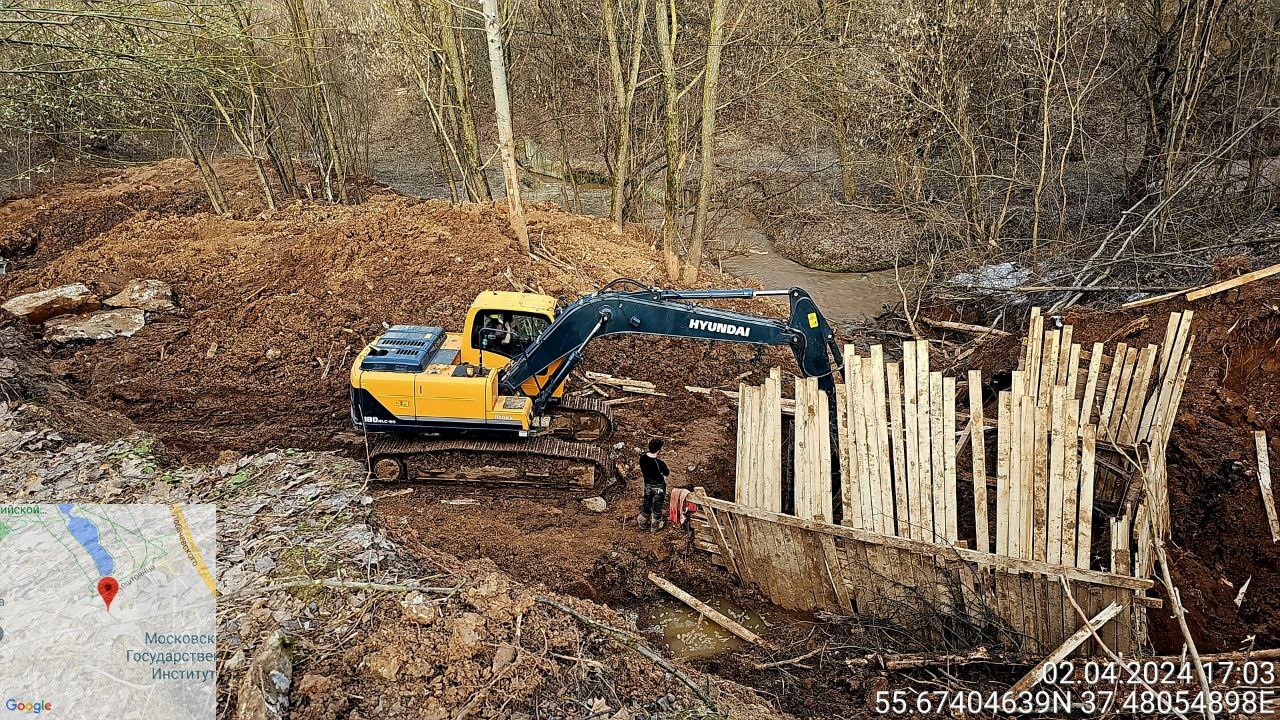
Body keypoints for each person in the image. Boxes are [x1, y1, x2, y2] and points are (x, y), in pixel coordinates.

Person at [638, 438, 670, 530]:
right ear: (659, 450)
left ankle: (643, 523)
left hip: (647, 484)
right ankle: (655, 525)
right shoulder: (659, 463)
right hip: (658, 487)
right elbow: (666, 473)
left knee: (646, 503)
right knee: (657, 505)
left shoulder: (642, 457)